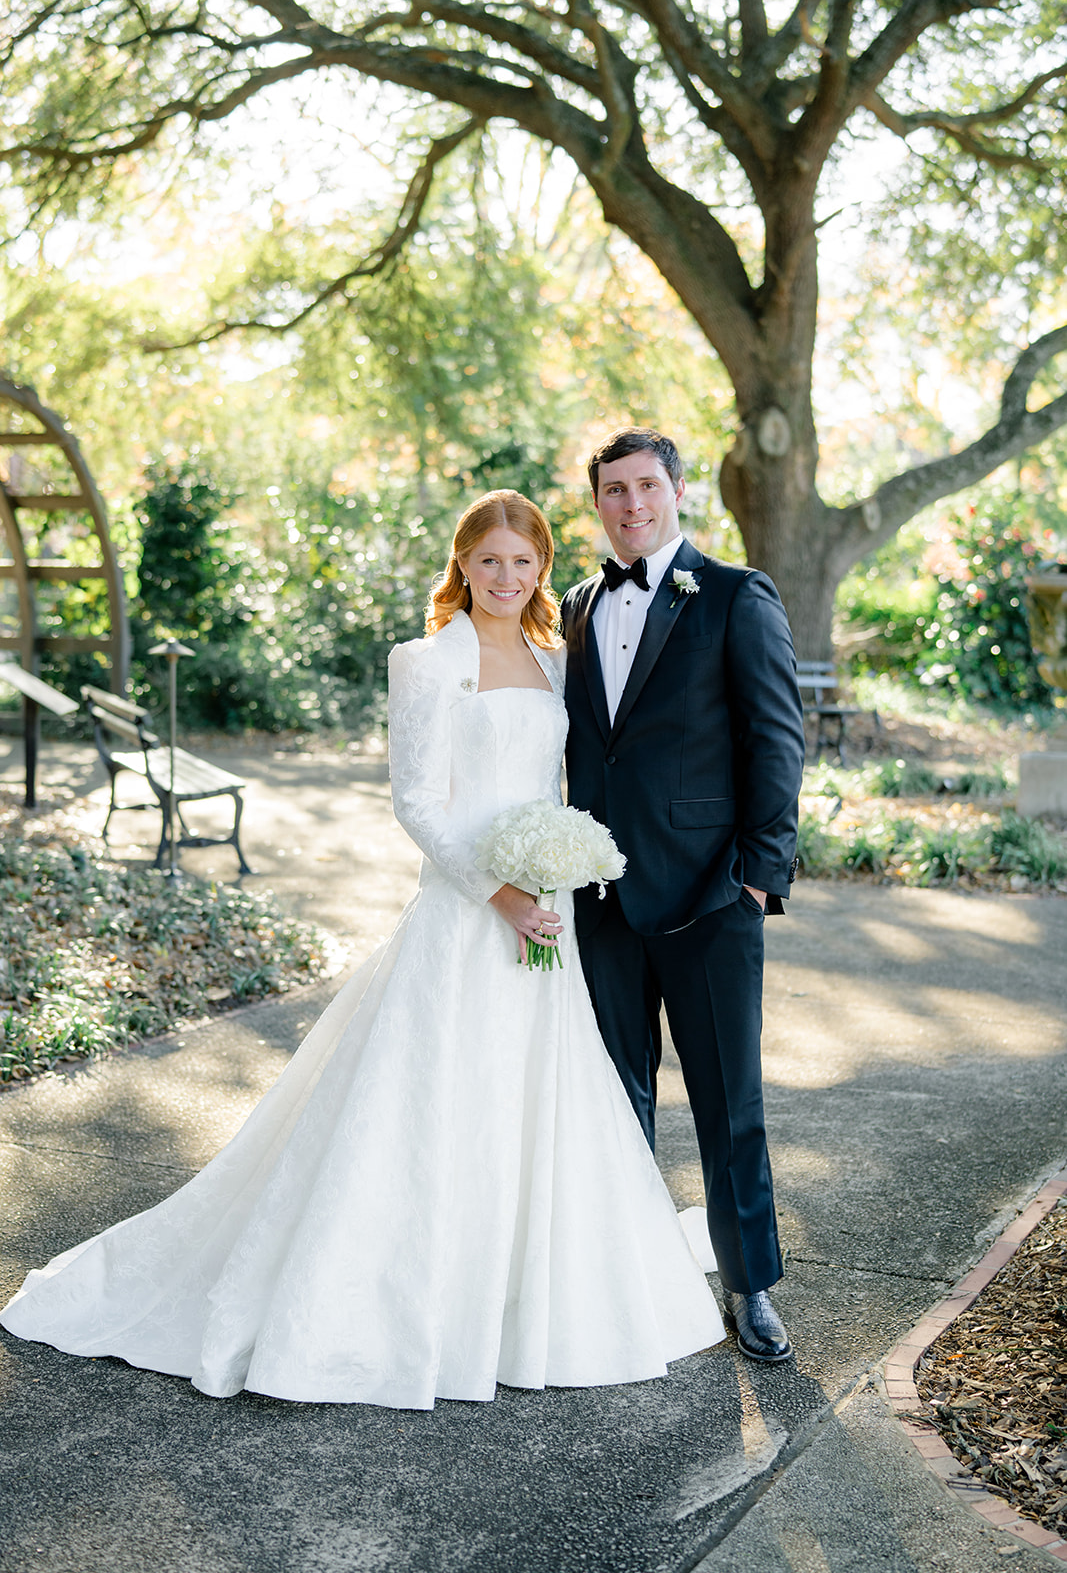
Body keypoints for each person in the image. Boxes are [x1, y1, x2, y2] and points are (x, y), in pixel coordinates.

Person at [1, 490, 724, 1409]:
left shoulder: (557, 660)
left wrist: (558, 871)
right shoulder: (424, 662)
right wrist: (498, 892)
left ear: (543, 568)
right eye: (489, 560)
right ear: (462, 564)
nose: (505, 577)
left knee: (533, 1094)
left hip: (546, 917)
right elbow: (415, 801)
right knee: (432, 1099)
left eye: (522, 562)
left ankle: (521, 1294)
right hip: (465, 913)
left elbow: (563, 781)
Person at [561, 429, 805, 1364]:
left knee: (727, 1101)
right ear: (597, 503)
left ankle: (749, 1286)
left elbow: (775, 738)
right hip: (600, 896)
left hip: (709, 893)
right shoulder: (577, 606)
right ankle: (627, 1281)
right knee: (614, 1096)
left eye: (645, 486)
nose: (630, 504)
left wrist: (757, 875)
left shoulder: (736, 594)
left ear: (675, 491)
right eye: (612, 490)